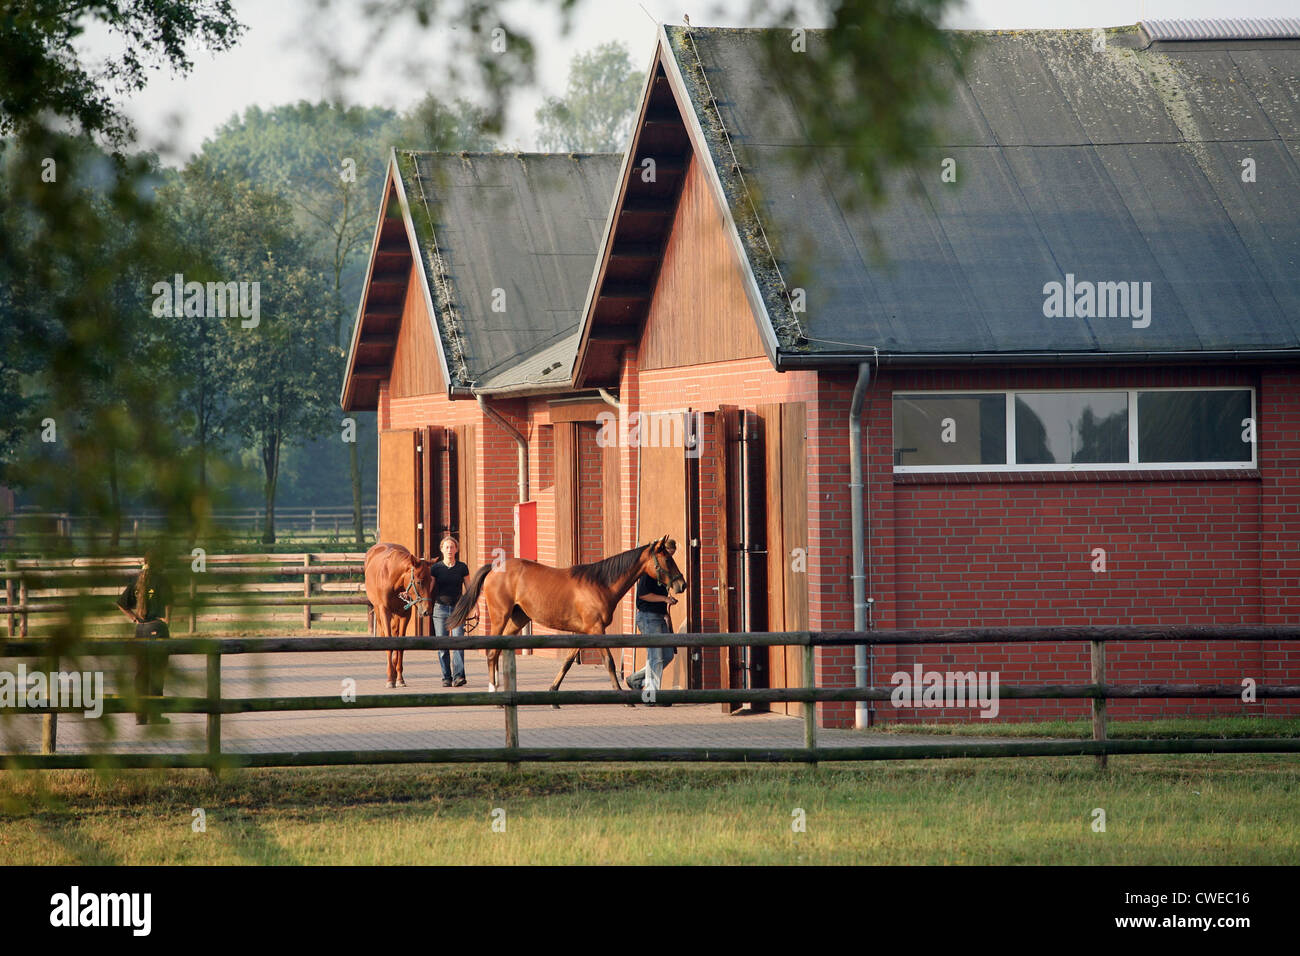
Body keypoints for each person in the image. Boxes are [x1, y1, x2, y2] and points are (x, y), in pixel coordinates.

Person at [116, 551, 173, 725]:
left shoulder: (136, 580)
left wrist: (134, 618)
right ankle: (156, 715)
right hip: (157, 627)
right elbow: (169, 602)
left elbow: (121, 603)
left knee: (141, 674)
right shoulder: (162, 580)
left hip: (140, 629)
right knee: (157, 673)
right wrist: (166, 620)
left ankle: (140, 716)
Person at [624, 541, 679, 706]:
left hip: (660, 616)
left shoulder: (663, 574)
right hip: (648, 617)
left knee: (667, 655)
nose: (670, 558)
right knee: (656, 656)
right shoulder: (649, 573)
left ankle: (635, 679)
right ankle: (651, 696)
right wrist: (665, 598)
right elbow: (643, 595)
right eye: (669, 554)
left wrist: (666, 611)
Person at [431, 536, 470, 686]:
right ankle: (446, 676)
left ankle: (459, 676)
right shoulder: (436, 569)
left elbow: (469, 589)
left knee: (458, 642)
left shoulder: (462, 567)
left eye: (452, 547)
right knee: (442, 645)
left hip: (457, 609)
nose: (449, 550)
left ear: (456, 549)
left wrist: (476, 607)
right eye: (446, 547)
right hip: (440, 609)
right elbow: (429, 589)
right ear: (442, 549)